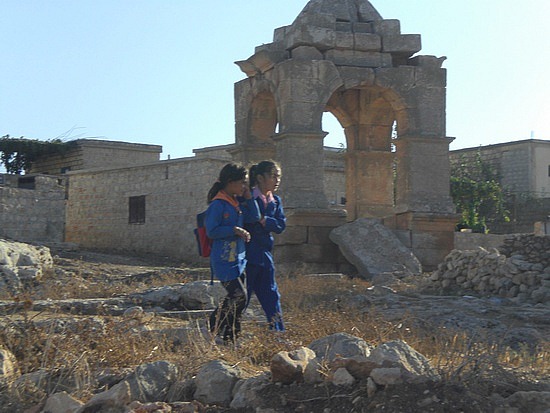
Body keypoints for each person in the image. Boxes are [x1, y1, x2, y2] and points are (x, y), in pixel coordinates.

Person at [205, 163, 260, 344]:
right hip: (223, 260)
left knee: (240, 301)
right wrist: (234, 229)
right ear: (230, 182)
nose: (244, 187)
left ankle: (231, 336)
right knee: (239, 296)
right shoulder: (218, 204)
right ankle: (212, 325)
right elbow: (211, 231)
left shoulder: (237, 203)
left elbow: (255, 217)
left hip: (238, 259)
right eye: (242, 183)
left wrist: (249, 198)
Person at [244, 160, 287, 331]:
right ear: (260, 178)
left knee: (271, 295)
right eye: (273, 176)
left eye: (279, 176)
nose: (277, 180)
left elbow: (280, 225)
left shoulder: (275, 200)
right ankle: (226, 330)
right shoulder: (247, 198)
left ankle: (278, 333)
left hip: (265, 254)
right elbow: (247, 220)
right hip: (247, 254)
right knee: (242, 296)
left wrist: (265, 221)